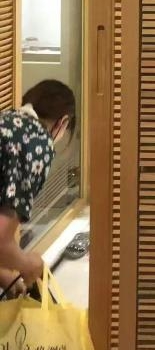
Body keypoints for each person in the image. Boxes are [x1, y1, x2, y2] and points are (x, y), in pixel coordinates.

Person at [0, 80, 76, 295]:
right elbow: (1, 240)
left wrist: (4, 276)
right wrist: (28, 264)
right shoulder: (37, 143)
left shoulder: (6, 121)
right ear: (63, 122)